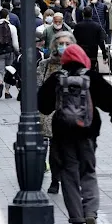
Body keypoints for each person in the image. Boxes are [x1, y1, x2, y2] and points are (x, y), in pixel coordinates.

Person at [38, 45, 112, 224]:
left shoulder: (57, 78)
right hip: (87, 134)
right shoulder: (91, 77)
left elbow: (43, 105)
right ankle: (90, 212)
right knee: (88, 172)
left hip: (63, 135)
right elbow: (110, 102)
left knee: (68, 176)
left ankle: (76, 221)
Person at [37, 31, 77, 195]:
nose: (64, 47)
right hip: (48, 112)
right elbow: (38, 86)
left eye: (67, 44)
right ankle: (53, 179)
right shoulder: (45, 64)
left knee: (60, 150)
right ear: (54, 45)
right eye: (61, 44)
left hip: (67, 113)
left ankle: (58, 178)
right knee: (49, 148)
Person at [0, 9, 19, 99]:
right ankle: (7, 91)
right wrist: (17, 53)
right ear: (7, 16)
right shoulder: (12, 27)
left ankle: (0, 82)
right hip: (10, 52)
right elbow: (15, 44)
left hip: (0, 52)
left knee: (0, 71)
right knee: (9, 71)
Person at [73, 7, 108, 72]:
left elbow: (74, 40)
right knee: (92, 71)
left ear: (83, 14)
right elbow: (101, 41)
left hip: (81, 52)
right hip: (93, 53)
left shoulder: (78, 26)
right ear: (92, 14)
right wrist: (104, 55)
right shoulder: (97, 26)